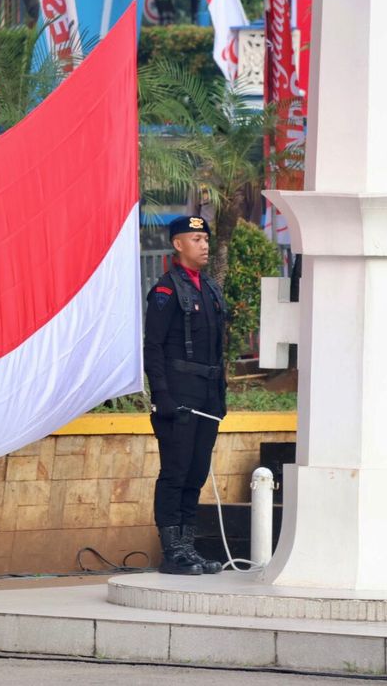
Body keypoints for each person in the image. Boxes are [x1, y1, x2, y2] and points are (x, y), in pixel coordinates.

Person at [144, 215, 227, 576]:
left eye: (205, 238)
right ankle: (172, 550)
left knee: (197, 471)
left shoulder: (209, 288)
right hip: (178, 393)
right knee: (175, 471)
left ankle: (188, 546)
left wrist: (220, 396)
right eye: (196, 239)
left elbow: (217, 350)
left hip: (207, 394)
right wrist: (161, 394)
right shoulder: (166, 290)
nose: (204, 244)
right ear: (178, 245)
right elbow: (154, 347)